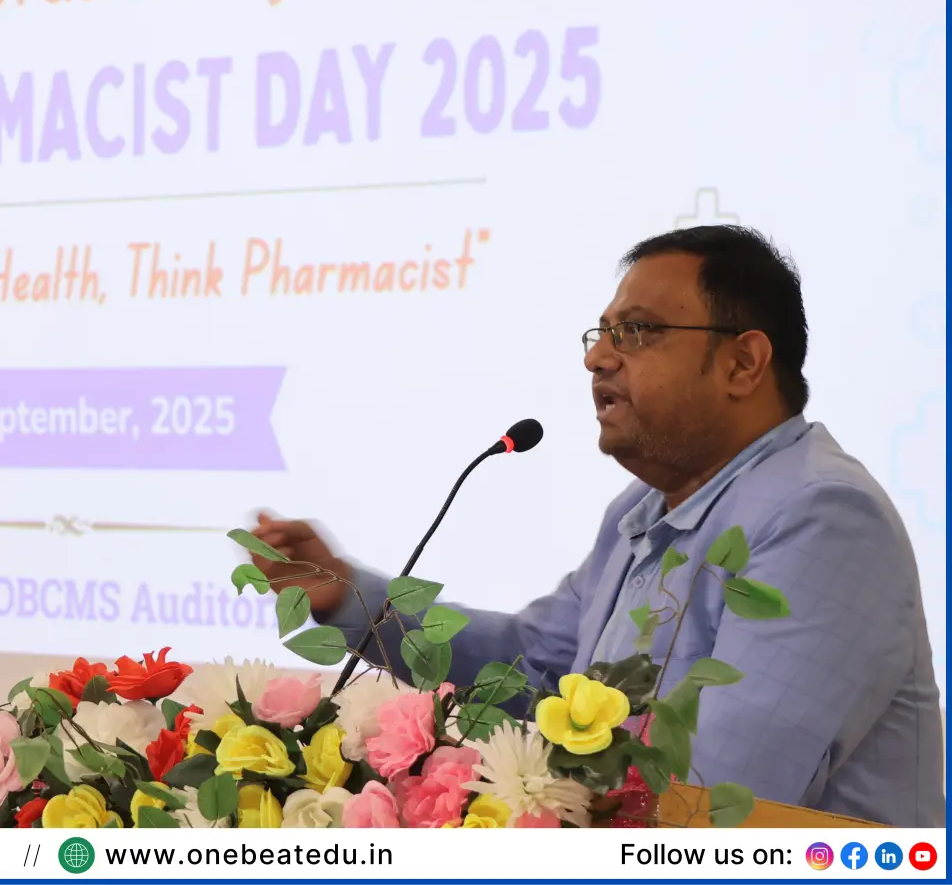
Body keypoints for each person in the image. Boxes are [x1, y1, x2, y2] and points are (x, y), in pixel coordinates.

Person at [251, 225, 943, 827]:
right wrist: (349, 596)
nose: (597, 358)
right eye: (602, 333)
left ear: (743, 363)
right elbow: (533, 668)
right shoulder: (639, 513)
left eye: (637, 331)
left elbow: (723, 800)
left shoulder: (821, 516)